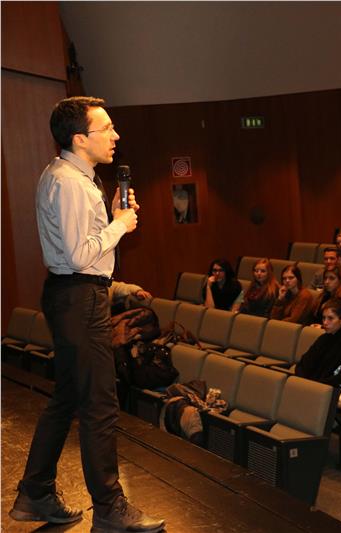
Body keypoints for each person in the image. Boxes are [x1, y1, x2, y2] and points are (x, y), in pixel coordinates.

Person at [11, 97, 164, 531]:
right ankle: (110, 508)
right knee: (99, 405)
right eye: (107, 128)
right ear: (80, 139)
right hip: (79, 299)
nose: (116, 135)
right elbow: (80, 256)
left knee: (68, 397)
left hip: (72, 295)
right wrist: (121, 225)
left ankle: (35, 492)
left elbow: (75, 250)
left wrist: (112, 219)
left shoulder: (67, 175)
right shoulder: (72, 184)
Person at [295, 299, 341, 387]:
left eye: (330, 318)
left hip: (326, 390)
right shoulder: (323, 339)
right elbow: (303, 364)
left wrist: (313, 385)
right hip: (309, 386)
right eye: (324, 318)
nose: (325, 322)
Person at [311, 265, 341, 333]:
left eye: (331, 278)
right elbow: (315, 318)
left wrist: (322, 327)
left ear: (340, 280)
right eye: (325, 278)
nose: (327, 282)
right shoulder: (325, 296)